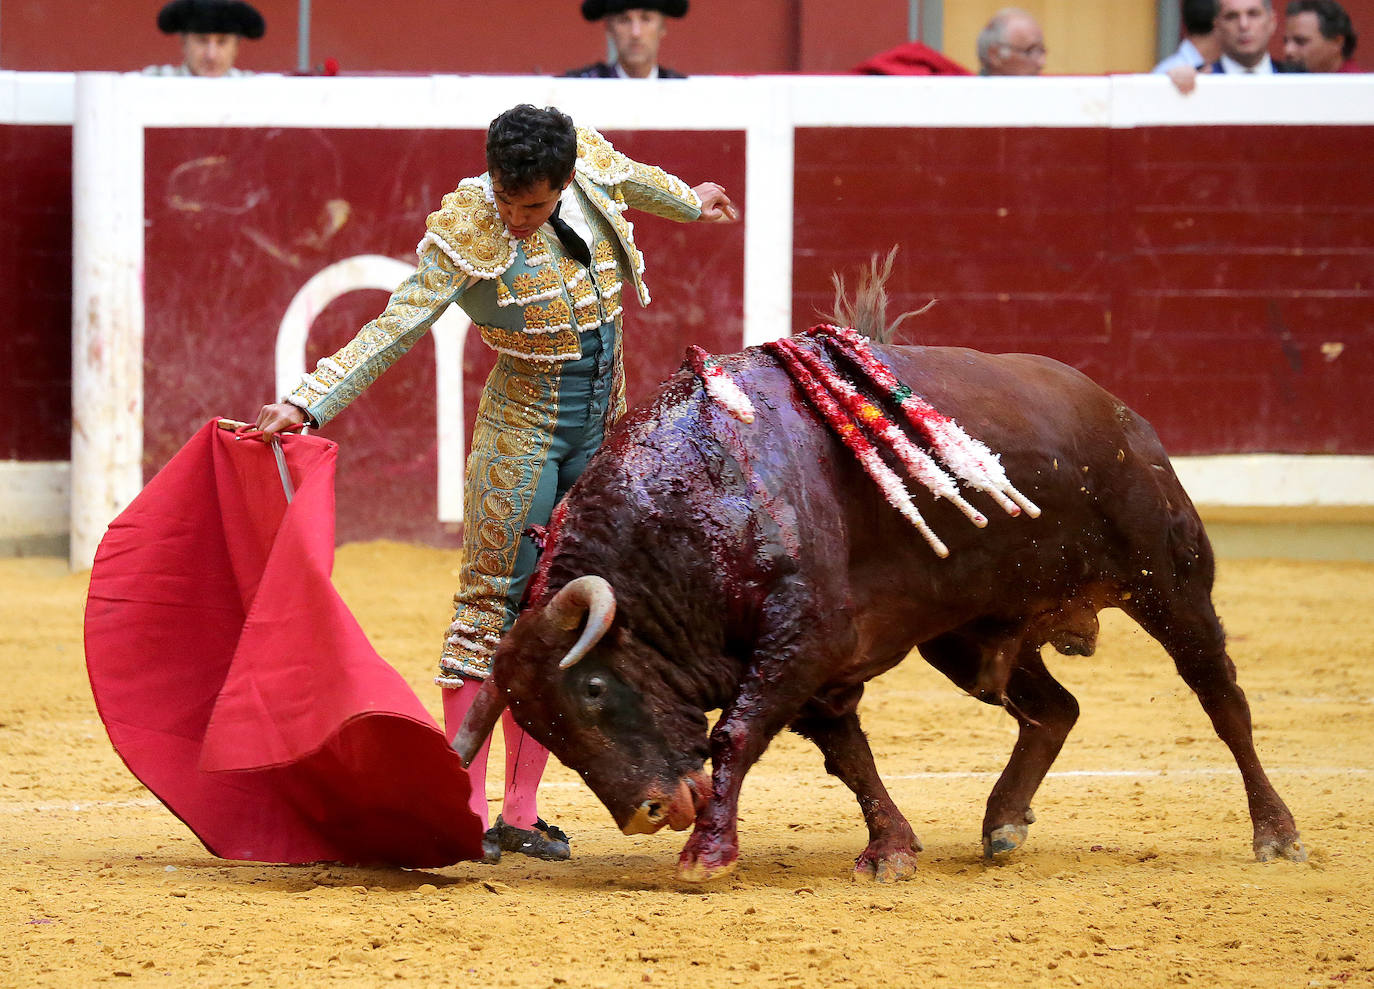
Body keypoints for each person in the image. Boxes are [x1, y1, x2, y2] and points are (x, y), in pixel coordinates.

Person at [251, 104, 737, 863]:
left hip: (600, 430)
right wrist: (307, 401)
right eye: (506, 200)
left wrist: (691, 200)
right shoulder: (468, 231)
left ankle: (521, 807)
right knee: (491, 606)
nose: (514, 218)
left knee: (567, 615)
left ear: (565, 181)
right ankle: (465, 807)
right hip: (522, 432)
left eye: (533, 206)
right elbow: (395, 325)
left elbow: (637, 180)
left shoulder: (592, 168)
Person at [563, 0, 688, 78]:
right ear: (609, 28)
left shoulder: (685, 93)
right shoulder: (581, 87)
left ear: (662, 27)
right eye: (624, 20)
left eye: (646, 19)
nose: (636, 33)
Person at [144, 0, 265, 77]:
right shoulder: (154, 82)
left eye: (222, 42)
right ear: (183, 43)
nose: (211, 55)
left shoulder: (251, 88)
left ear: (236, 48)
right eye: (202, 41)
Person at [1283, 0, 1361, 71]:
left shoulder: (1358, 85)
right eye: (1286, 41)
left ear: (1337, 42)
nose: (1288, 50)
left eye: (1300, 41)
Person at [975, 8, 1048, 76]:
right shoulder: (969, 90)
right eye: (1029, 51)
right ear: (995, 55)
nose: (1042, 62)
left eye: (1041, 51)